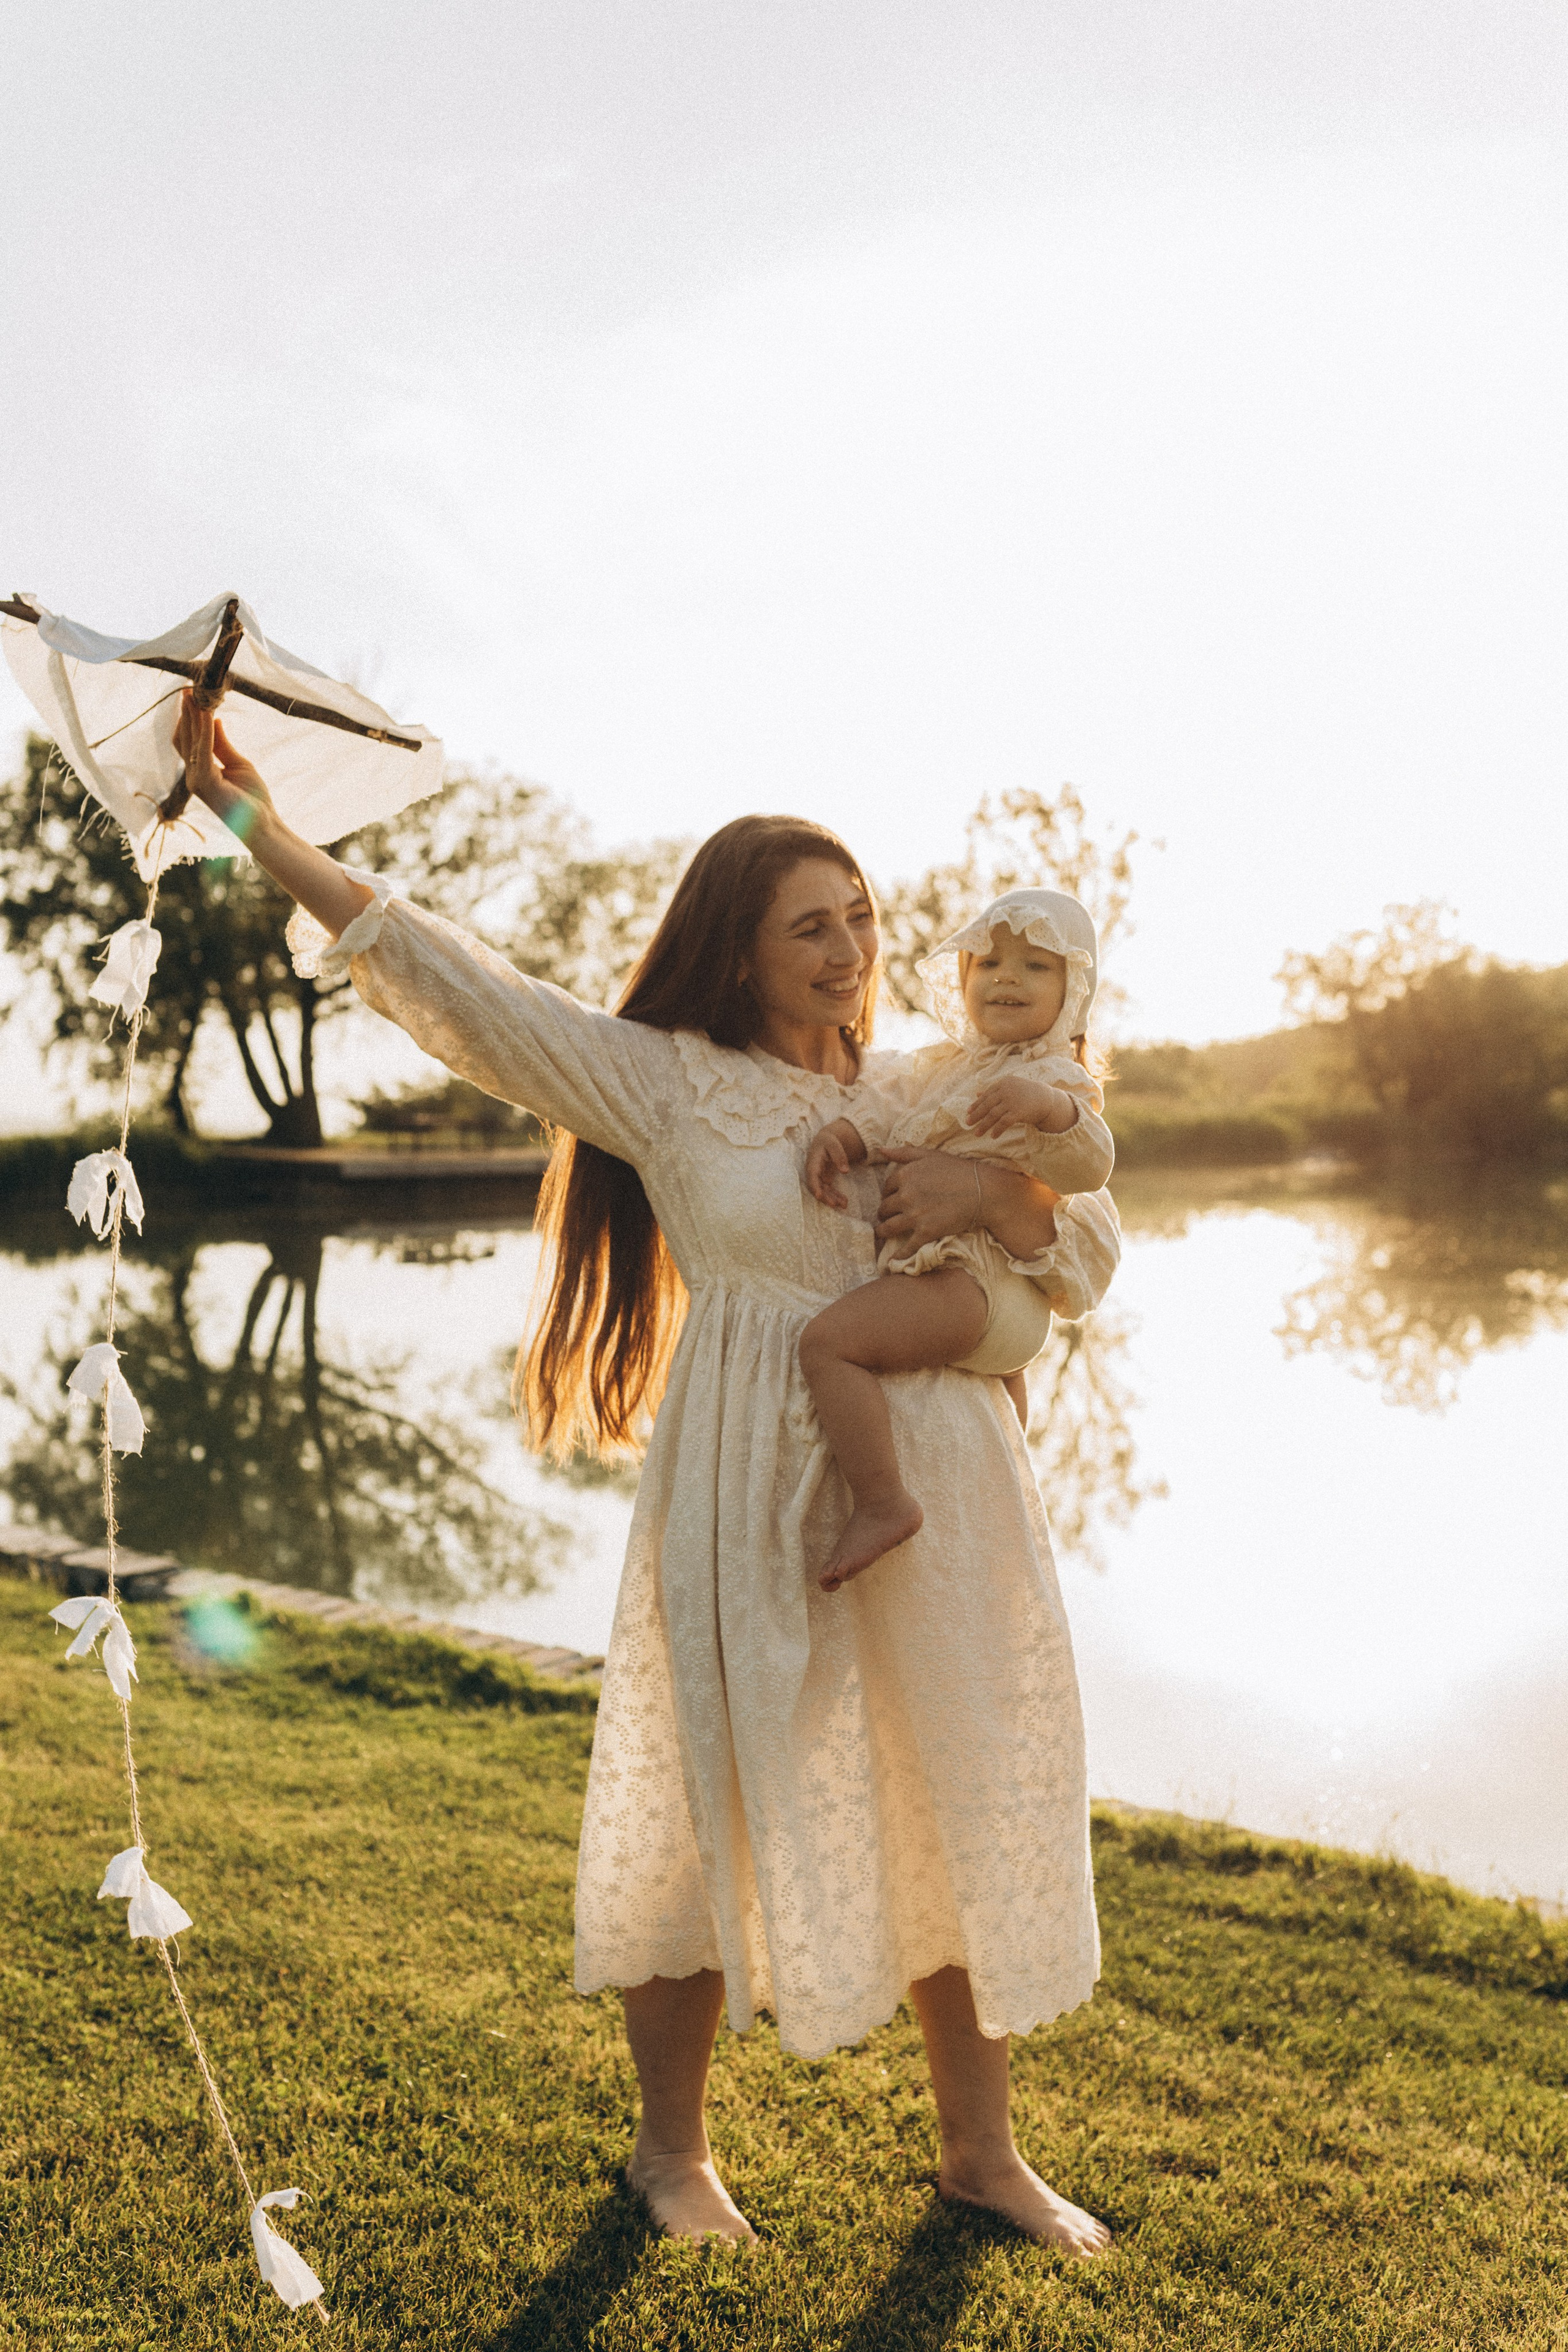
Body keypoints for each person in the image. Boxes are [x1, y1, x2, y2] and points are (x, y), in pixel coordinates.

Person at [175, 696, 1117, 2258]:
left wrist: (994, 1195)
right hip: (752, 1469)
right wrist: (260, 831)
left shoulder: (930, 1082)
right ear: (734, 951)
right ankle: (669, 2154)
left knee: (957, 1781)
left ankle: (979, 2152)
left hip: (948, 1474)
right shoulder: (665, 1081)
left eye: (861, 915)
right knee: (694, 1796)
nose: (847, 946)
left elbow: (1081, 1258)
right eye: (806, 926)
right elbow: (459, 986)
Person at [800, 888, 1114, 1588]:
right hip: (996, 1317)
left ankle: (881, 1501)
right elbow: (886, 1115)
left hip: (969, 1283)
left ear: (1072, 991)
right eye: (989, 963)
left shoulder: (1054, 1074)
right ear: (961, 978)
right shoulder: (938, 1067)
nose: (1006, 977)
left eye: (1035, 966)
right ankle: (1011, 1498)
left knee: (829, 1345)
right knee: (1000, 1418)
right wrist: (843, 1136)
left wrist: (1052, 1111)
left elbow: (1090, 1165)